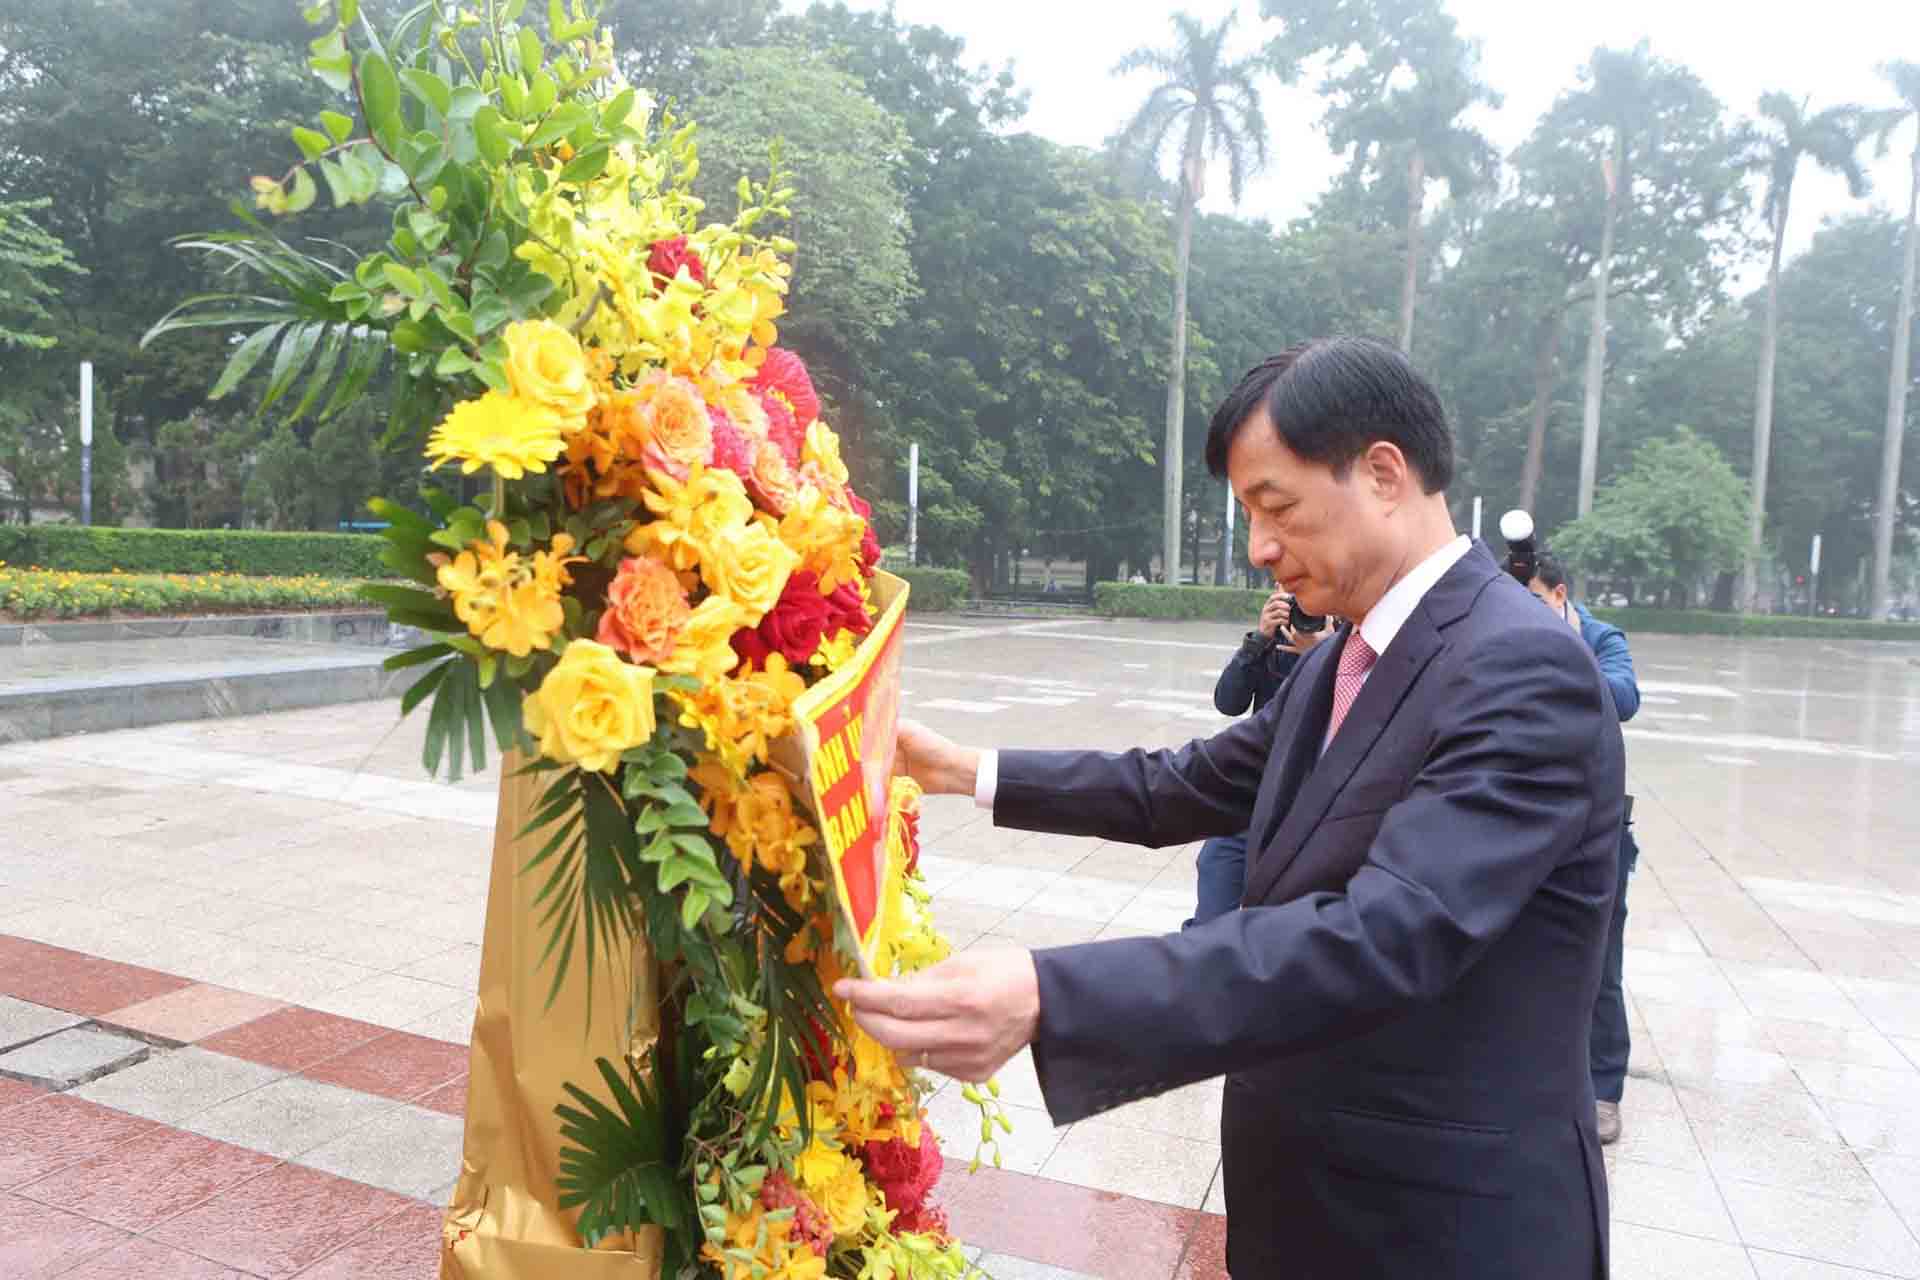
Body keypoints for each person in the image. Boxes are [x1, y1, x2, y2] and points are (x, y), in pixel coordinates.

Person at [836, 337, 1626, 1279]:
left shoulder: (1521, 666)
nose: (1258, 548)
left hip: (1443, 1228)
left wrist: (1054, 994)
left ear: (1383, 473)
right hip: (1309, 1205)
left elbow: (1385, 933)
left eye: (1276, 507)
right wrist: (962, 768)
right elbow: (1185, 783)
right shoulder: (1343, 658)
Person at [1527, 550, 1641, 1145]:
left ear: (1561, 594)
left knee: (1601, 962)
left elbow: (1623, 697)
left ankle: (1603, 1089)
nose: (1527, 614)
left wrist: (1566, 656)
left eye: (1537, 601)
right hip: (1528, 823)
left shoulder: (1599, 637)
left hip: (1596, 832)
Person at [1185, 590, 1326, 928]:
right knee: (1212, 902)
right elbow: (1228, 702)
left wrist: (1323, 654)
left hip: (1310, 804)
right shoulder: (1270, 640)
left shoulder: (1349, 639)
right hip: (1254, 794)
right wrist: (1258, 639)